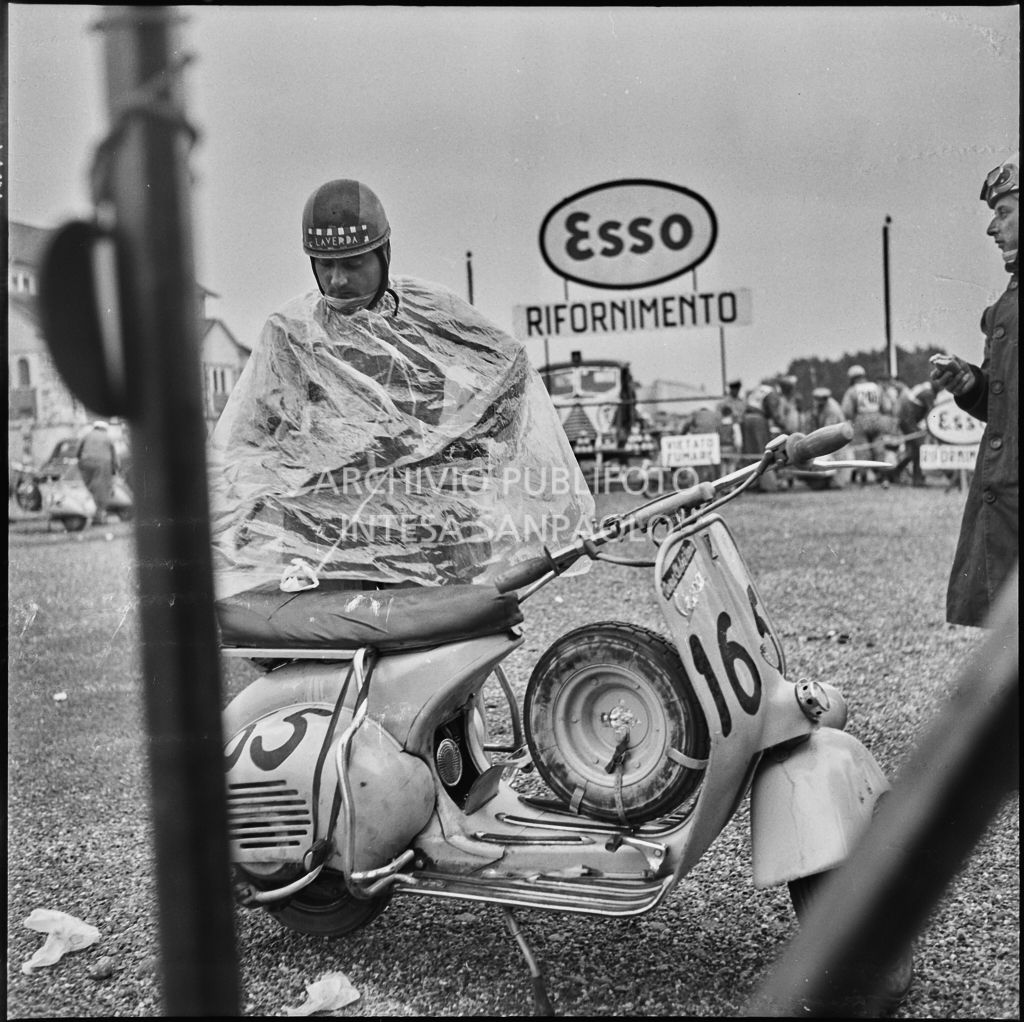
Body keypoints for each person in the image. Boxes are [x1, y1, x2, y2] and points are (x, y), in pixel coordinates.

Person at [208, 178, 595, 602]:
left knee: (448, 637)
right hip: (326, 541)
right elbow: (248, 442)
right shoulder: (292, 335)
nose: (337, 280)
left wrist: (474, 452)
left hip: (432, 532)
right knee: (335, 639)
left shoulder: (432, 314)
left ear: (384, 254)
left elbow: (509, 367)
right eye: (324, 264)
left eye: (353, 263)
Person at [930, 151, 1018, 628]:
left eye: (1003, 212)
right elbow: (1005, 408)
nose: (992, 228)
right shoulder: (1005, 306)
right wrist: (972, 385)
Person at [841, 364, 893, 486]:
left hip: (861, 421)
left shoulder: (852, 390)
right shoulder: (876, 387)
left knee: (862, 450)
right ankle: (883, 477)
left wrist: (853, 418)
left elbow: (847, 411)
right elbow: (887, 407)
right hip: (877, 420)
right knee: (879, 448)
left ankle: (863, 478)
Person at [889, 380, 941, 486]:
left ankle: (896, 472)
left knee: (913, 451)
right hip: (908, 421)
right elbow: (932, 413)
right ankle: (917, 479)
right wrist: (934, 429)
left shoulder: (925, 388)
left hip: (907, 421)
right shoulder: (928, 393)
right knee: (919, 448)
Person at [741, 378, 788, 491]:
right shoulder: (772, 393)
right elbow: (773, 412)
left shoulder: (759, 389)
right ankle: (767, 484)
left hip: (746, 419)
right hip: (758, 420)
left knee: (750, 452)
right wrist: (784, 426)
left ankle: (750, 484)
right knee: (764, 452)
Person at [76, 420, 119, 526]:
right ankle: (98, 517)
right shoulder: (107, 437)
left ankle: (88, 511)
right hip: (102, 465)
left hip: (86, 463)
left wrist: (81, 461)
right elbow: (114, 456)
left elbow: (77, 452)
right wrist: (115, 469)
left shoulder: (87, 435)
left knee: (90, 488)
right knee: (101, 490)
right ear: (104, 428)